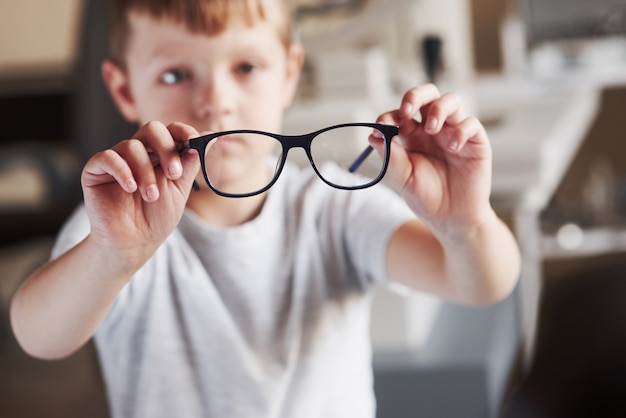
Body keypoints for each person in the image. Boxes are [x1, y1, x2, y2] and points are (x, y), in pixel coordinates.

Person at [10, 0, 521, 416]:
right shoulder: (120, 225)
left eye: (246, 66)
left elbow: (480, 284)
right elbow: (39, 336)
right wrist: (111, 256)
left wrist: (466, 224)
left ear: (289, 72)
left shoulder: (333, 209)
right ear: (123, 88)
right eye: (176, 75)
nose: (216, 101)